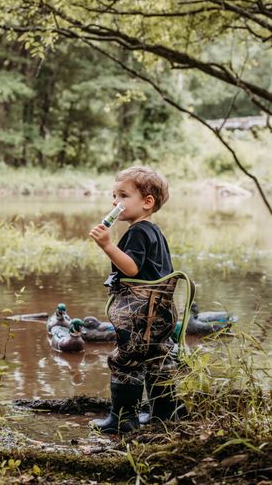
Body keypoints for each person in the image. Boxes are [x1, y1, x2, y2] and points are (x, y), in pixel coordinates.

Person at [88, 165, 181, 434]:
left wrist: (107, 245)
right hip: (161, 312)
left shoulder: (138, 232)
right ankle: (163, 414)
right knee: (158, 358)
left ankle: (123, 419)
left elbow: (131, 269)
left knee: (126, 360)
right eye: (114, 196)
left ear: (147, 202)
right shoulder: (155, 231)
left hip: (138, 314)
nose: (115, 202)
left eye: (123, 195)